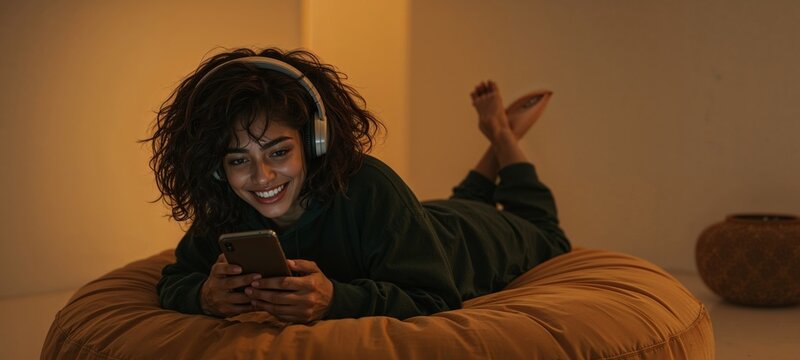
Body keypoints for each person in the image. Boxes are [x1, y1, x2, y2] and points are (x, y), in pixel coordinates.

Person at [147, 47, 570, 324]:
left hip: (469, 241)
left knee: (542, 228)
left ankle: (501, 135)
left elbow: (433, 299)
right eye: (239, 160)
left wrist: (336, 300)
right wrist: (203, 296)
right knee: (461, 200)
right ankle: (498, 142)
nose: (261, 178)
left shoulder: (369, 184)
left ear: (315, 143)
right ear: (218, 169)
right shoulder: (226, 204)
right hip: (423, 221)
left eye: (278, 152)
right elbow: (175, 278)